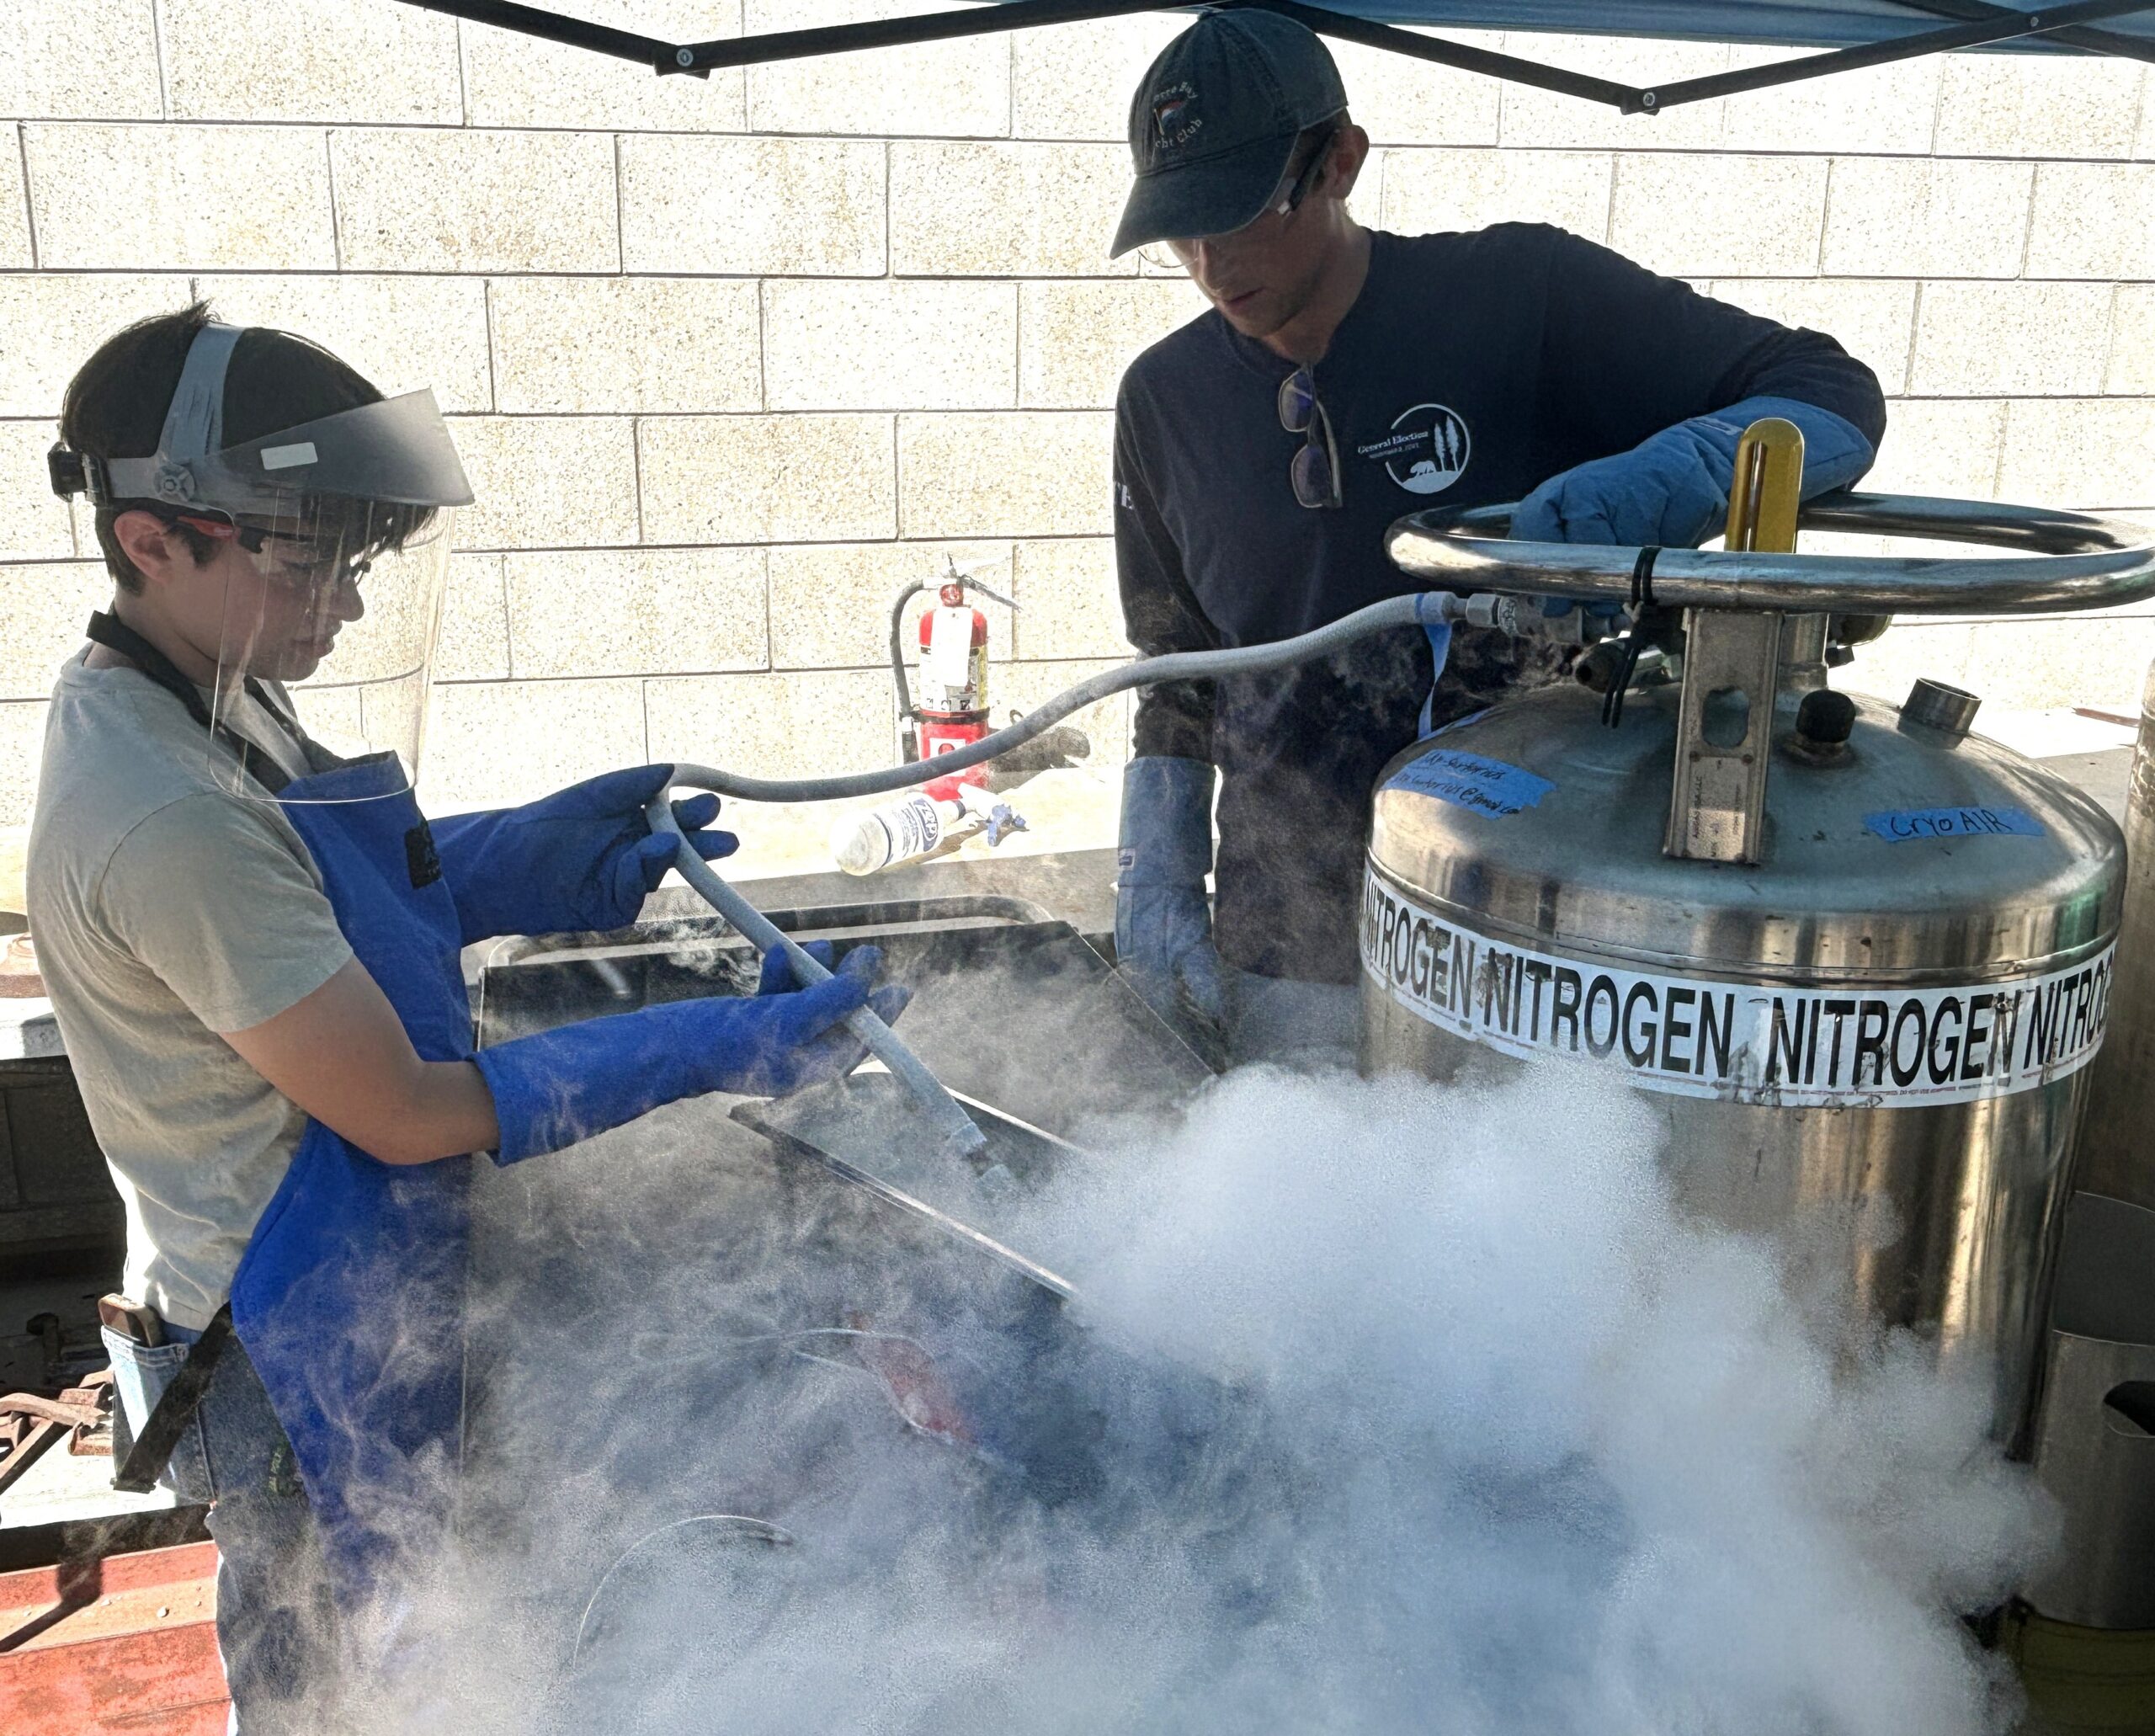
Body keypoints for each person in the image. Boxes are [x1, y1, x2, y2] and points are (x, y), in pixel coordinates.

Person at [30, 305, 908, 1727]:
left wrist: (525, 857)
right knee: (343, 1677)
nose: (350, 604)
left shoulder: (201, 698)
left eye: (357, 561)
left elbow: (324, 887)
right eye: (312, 558)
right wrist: (710, 1044)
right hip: (280, 1329)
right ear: (155, 539)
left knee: (426, 1635)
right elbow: (408, 1107)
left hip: (341, 1273)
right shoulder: (161, 809)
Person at [1108, 9, 1887, 1068]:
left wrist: (1678, 470)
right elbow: (1179, 670)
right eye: (1179, 230)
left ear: (1339, 160)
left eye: (1241, 215)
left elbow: (1831, 391)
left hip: (1537, 944)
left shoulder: (1521, 298)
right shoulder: (1165, 399)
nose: (1210, 262)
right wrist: (1155, 886)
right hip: (1285, 943)